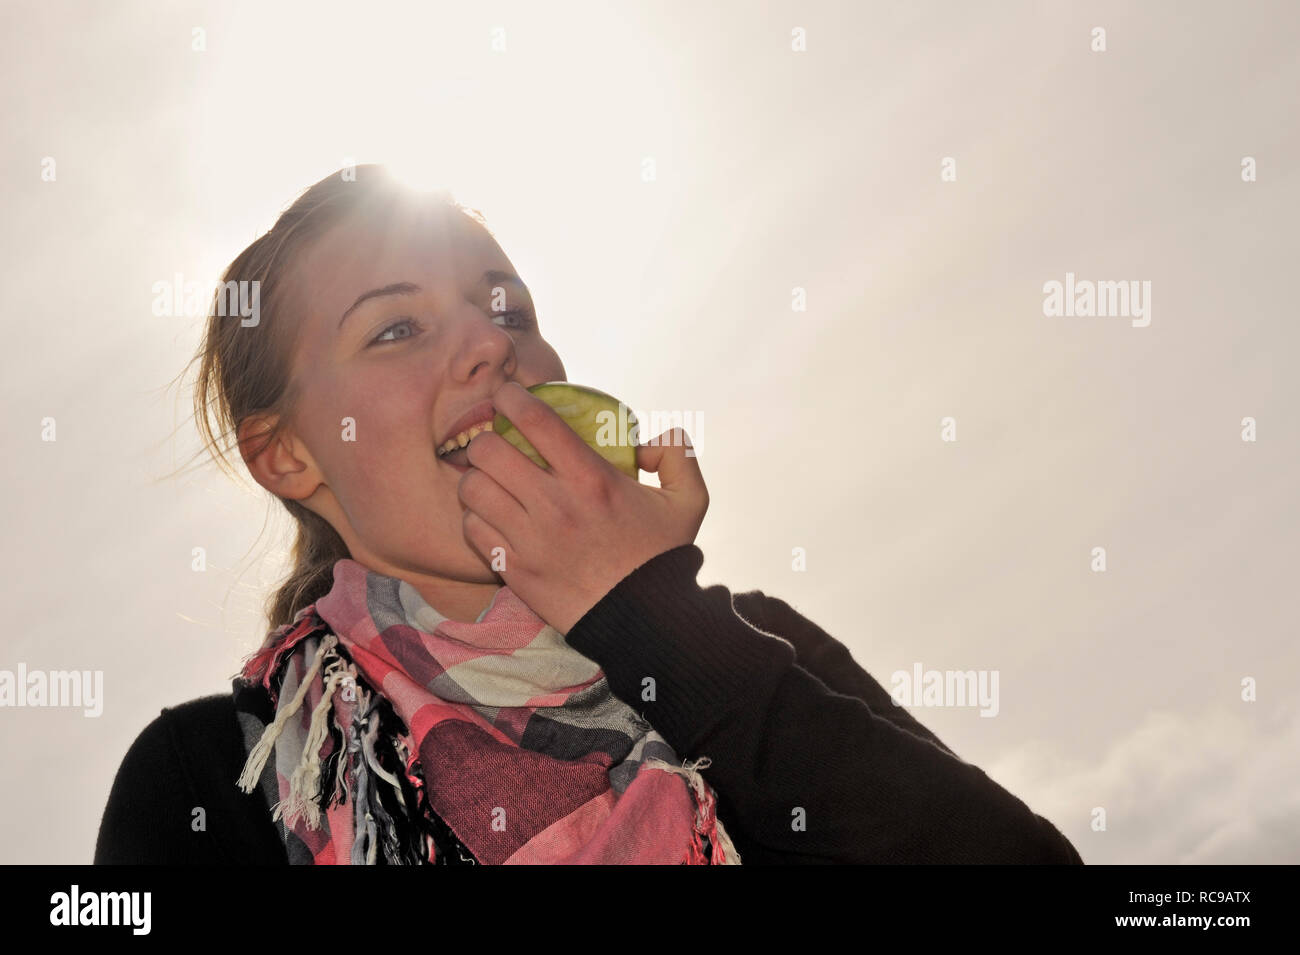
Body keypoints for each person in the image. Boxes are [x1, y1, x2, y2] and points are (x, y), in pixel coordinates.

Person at [94, 165, 1083, 865]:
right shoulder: (213, 774)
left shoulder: (752, 648)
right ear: (289, 454)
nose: (490, 346)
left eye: (509, 310)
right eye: (397, 327)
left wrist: (659, 626)